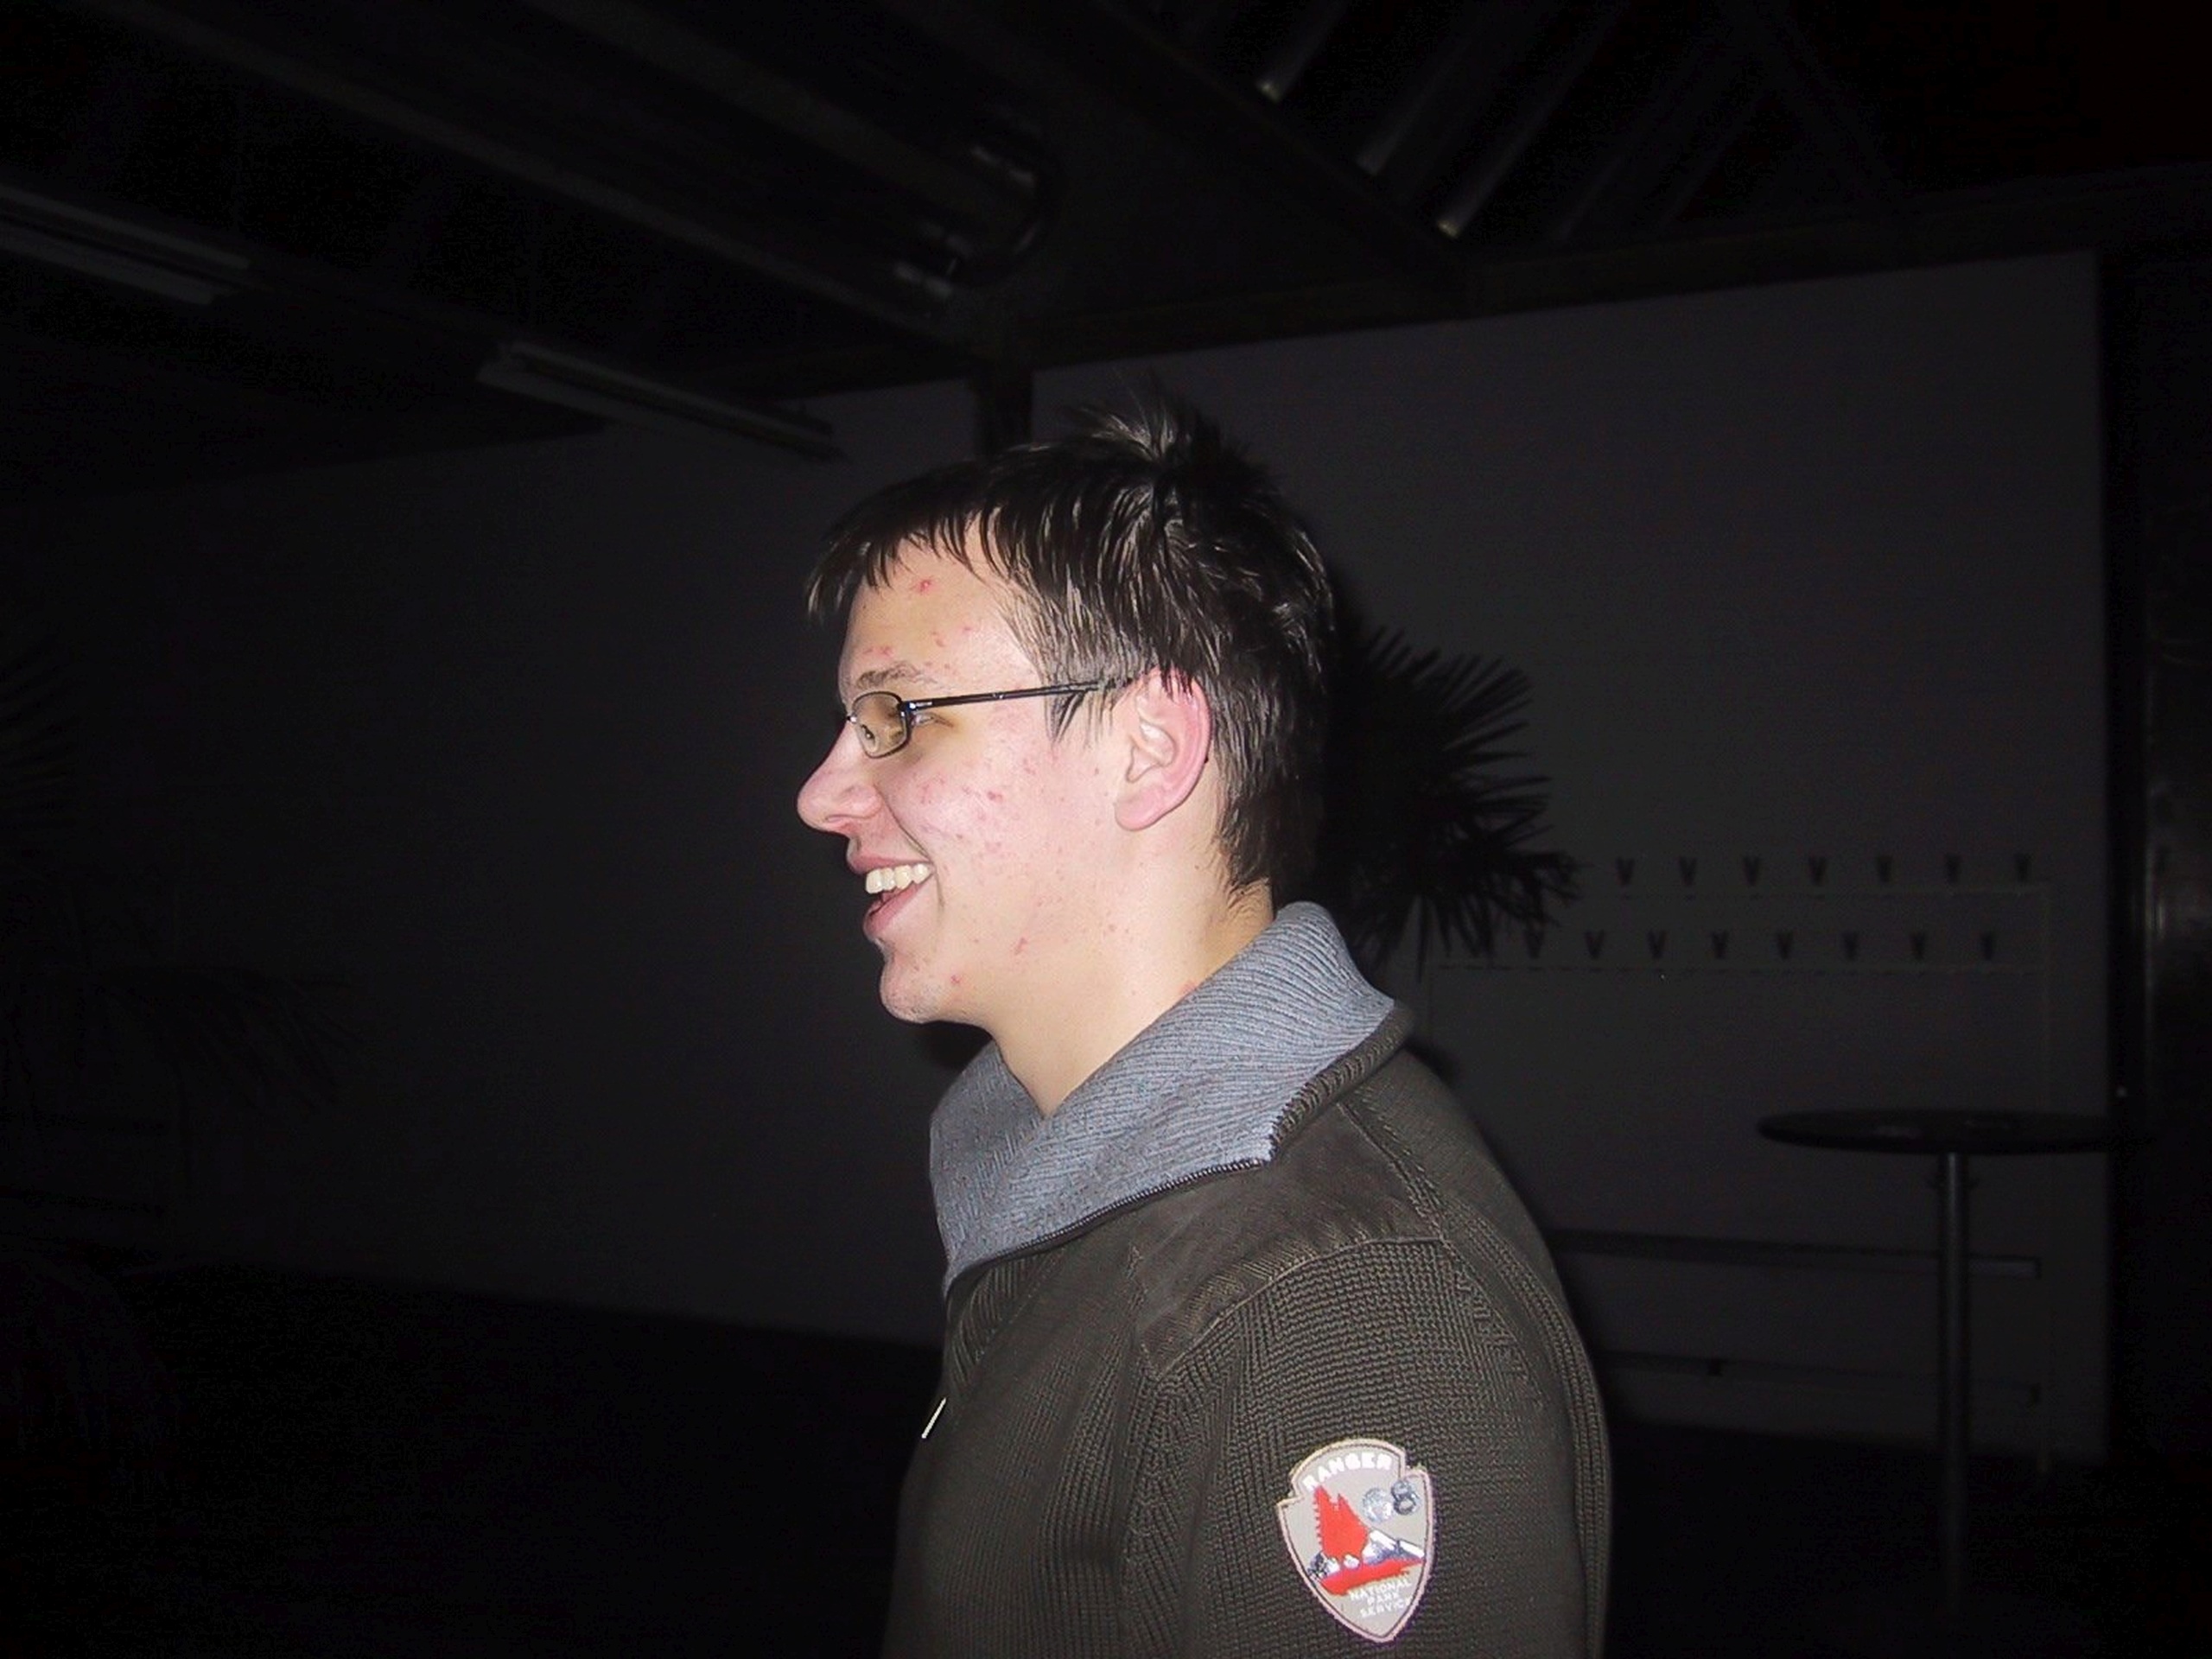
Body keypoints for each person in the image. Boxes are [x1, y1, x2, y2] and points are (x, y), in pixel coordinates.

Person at [796, 394, 1609, 1656]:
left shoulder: (1336, 1305)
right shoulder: (1084, 1170)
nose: (823, 794)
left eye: (898, 715)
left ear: (1149, 747)